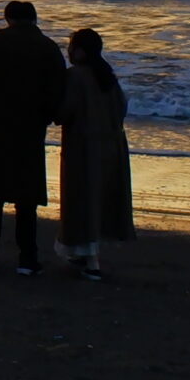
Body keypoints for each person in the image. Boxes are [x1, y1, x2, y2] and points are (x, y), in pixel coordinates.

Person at [0, 0, 65, 275]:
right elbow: (59, 87)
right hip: (30, 128)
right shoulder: (47, 47)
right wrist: (48, 115)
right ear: (34, 18)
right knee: (26, 197)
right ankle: (27, 259)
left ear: (8, 18)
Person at [56, 27, 135, 281]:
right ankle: (86, 256)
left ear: (79, 51)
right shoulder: (108, 77)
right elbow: (122, 108)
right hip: (112, 146)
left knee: (83, 200)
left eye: (71, 46)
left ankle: (91, 262)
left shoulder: (76, 76)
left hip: (84, 146)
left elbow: (63, 112)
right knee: (102, 200)